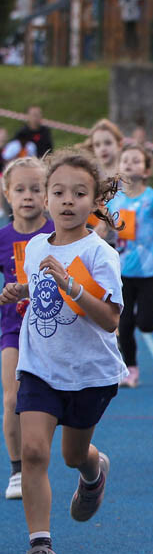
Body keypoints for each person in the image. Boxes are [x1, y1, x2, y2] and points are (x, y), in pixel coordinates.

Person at [0, 150, 126, 554]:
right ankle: (42, 549)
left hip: (89, 373)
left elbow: (109, 319)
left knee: (73, 455)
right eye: (58, 192)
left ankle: (93, 471)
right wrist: (22, 292)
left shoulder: (99, 254)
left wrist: (71, 284)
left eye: (79, 193)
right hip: (40, 366)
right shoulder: (37, 247)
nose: (67, 201)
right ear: (47, 199)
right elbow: (42, 293)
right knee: (34, 451)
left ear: (95, 201)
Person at [102, 144, 153, 388]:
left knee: (147, 324)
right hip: (122, 272)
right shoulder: (114, 200)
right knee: (123, 324)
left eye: (135, 161)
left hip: (148, 272)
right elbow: (103, 229)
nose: (129, 164)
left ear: (146, 171)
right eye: (125, 160)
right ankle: (131, 369)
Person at [0, 158, 53, 500]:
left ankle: (77, 455)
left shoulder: (57, 233)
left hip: (54, 330)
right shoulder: (3, 238)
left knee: (57, 404)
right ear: (7, 194)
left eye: (36, 189)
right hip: (14, 329)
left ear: (47, 194)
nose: (28, 196)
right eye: (20, 189)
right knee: (11, 398)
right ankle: (18, 469)